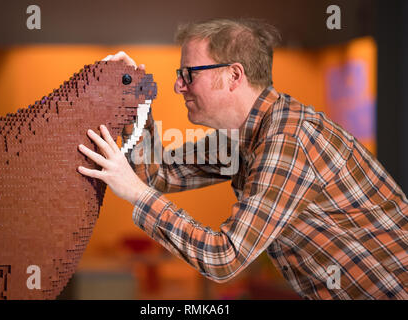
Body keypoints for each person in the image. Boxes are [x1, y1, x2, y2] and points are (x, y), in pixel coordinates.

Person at [77, 18, 408, 299]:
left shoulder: (287, 140)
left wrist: (135, 193)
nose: (178, 86)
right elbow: (157, 174)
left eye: (189, 73)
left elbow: (224, 257)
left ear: (234, 76)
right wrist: (135, 99)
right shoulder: (243, 137)